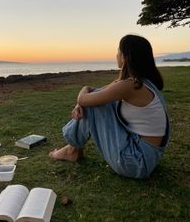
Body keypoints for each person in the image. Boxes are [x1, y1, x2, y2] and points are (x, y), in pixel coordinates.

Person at [49, 34, 170, 179]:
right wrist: (82, 102)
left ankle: (72, 150)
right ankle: (72, 148)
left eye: (118, 50)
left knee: (96, 105)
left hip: (136, 163)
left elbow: (85, 98)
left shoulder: (130, 85)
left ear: (125, 57)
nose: (116, 54)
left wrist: (84, 94)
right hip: (147, 158)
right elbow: (97, 93)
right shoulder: (142, 82)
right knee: (97, 101)